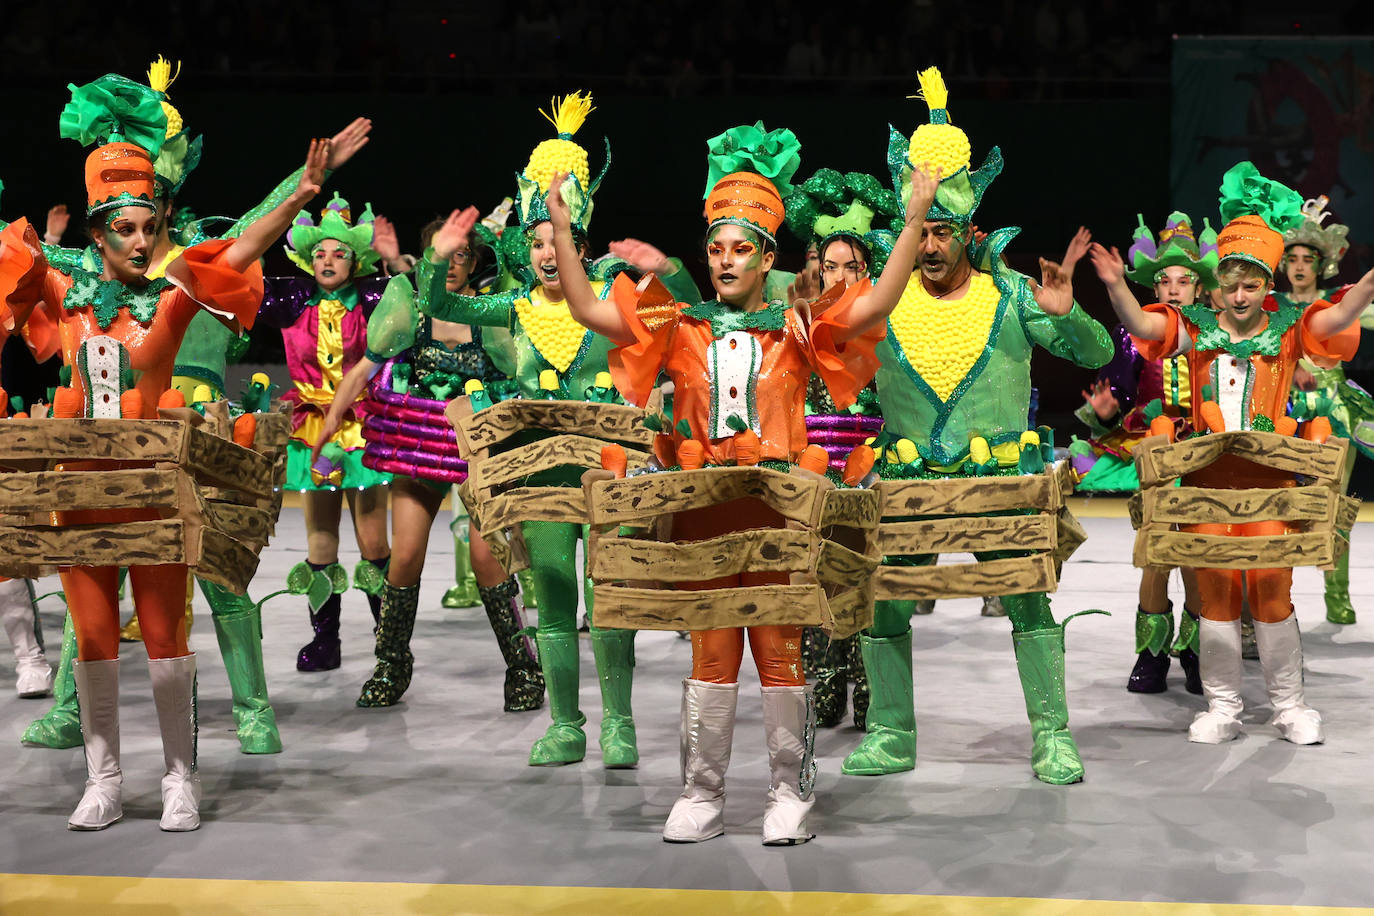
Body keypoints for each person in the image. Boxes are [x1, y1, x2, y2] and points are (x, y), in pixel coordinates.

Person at [546, 120, 917, 844]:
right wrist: (562, 227)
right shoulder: (673, 320)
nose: (724, 260)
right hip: (703, 511)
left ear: (769, 256)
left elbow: (874, 306)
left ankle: (789, 793)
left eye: (741, 248)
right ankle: (702, 792)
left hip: (780, 512)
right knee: (711, 650)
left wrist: (910, 220)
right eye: (715, 248)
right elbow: (590, 308)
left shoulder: (799, 322)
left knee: (778, 646)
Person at [0, 74, 326, 830]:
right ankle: (105, 782)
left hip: (154, 490)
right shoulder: (64, 289)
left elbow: (242, 245)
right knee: (90, 640)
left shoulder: (172, 295)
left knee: (166, 637)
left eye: (151, 227)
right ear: (98, 229)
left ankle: (181, 777)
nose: (143, 241)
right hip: (77, 495)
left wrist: (303, 193)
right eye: (127, 229)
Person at [840, 68, 1114, 783]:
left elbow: (1099, 354)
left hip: (999, 484)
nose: (930, 246)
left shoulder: (1012, 293)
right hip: (907, 484)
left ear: (970, 231)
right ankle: (892, 734)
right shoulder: (884, 300)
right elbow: (833, 363)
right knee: (885, 605)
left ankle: (1052, 734)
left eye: (942, 232)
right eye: (921, 231)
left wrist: (1069, 314)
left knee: (1026, 599)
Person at [1088, 161, 1373, 745]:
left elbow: (1341, 316)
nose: (1239, 296)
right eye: (1230, 284)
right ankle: (1221, 706)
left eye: (1251, 285)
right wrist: (1117, 284)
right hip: (1205, 484)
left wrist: (1369, 283)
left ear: (1266, 286)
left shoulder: (1290, 325)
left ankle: (1290, 706)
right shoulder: (1193, 325)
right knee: (1215, 589)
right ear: (1214, 282)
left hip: (1269, 482)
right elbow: (1141, 320)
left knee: (1271, 588)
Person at [418, 93, 651, 764]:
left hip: (607, 470)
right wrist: (437, 256)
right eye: (538, 241)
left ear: (581, 243)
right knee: (552, 597)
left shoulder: (612, 298)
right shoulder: (513, 308)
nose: (550, 252)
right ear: (525, 247)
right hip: (541, 477)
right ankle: (567, 723)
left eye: (562, 239)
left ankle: (619, 725)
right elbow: (439, 304)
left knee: (610, 596)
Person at [313, 214, 544, 711]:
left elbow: (524, 377)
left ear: (475, 260)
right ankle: (392, 664)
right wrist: (332, 419)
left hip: (477, 449)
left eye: (463, 253)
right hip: (417, 444)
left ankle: (524, 666)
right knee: (405, 556)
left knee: (487, 558)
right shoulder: (410, 315)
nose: (454, 262)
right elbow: (363, 369)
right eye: (445, 252)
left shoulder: (489, 314)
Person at [1080, 212, 1218, 695]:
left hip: (1206, 454)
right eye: (1165, 280)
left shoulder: (1216, 335)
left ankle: (1197, 651)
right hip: (1153, 452)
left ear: (1200, 288)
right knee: (1158, 554)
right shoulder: (1133, 335)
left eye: (1184, 280)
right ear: (1154, 288)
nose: (1175, 289)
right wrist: (1104, 412)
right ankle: (1152, 654)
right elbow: (1115, 399)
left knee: (1199, 557)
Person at [256, 194, 392, 673]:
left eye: (338, 253)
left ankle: (388, 640)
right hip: (311, 427)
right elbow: (238, 276)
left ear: (355, 261)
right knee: (320, 542)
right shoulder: (292, 300)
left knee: (374, 543)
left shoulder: (374, 300)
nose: (328, 260)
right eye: (319, 253)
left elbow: (411, 312)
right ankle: (325, 641)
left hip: (364, 429)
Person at [1278, 195, 1372, 625]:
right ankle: (1275, 597)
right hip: (1281, 410)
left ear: (1321, 264)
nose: (1299, 266)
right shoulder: (1270, 306)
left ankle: (1338, 595)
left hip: (1334, 410)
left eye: (1307, 259)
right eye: (1292, 258)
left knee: (1335, 506)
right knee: (1282, 506)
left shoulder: (1339, 302)